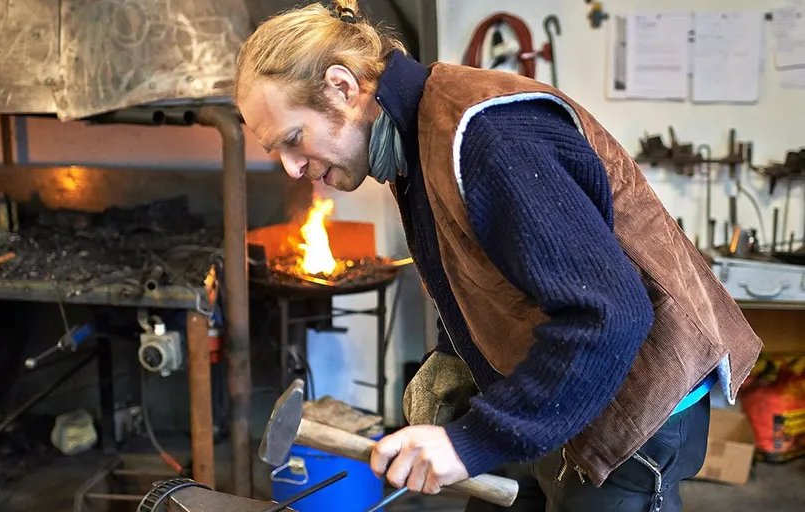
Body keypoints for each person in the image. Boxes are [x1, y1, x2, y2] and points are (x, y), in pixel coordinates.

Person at [233, 2, 764, 510]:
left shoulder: (485, 135)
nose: (291, 168)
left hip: (629, 407)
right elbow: (477, 262)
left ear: (343, 88)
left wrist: (471, 441)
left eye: (294, 140)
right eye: (275, 151)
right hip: (551, 388)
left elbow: (611, 314)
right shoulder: (414, 140)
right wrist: (453, 355)